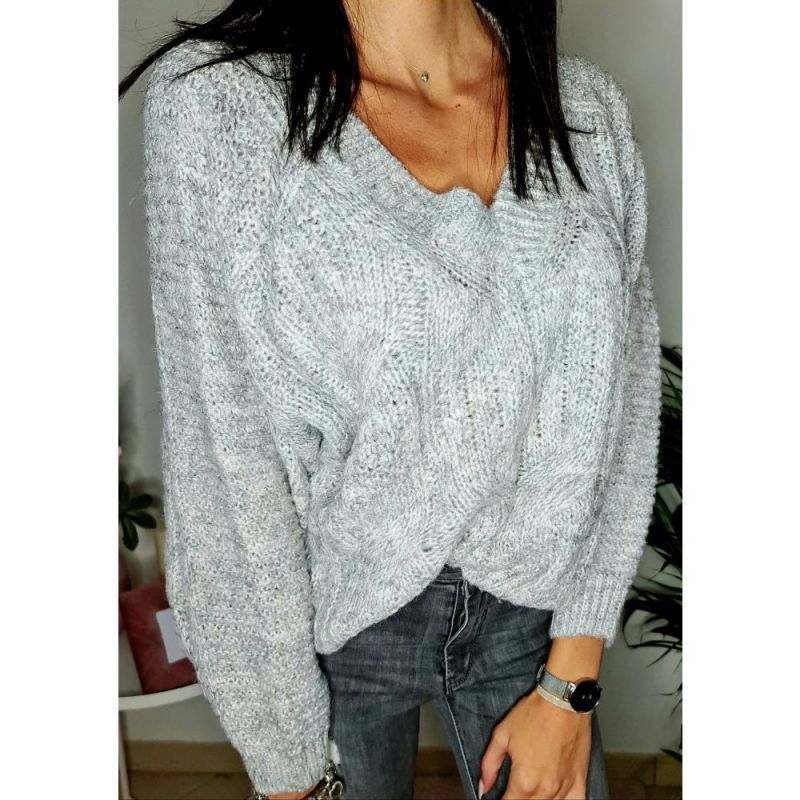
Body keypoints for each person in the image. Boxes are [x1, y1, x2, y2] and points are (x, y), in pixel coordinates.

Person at [119, 1, 662, 798]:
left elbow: (625, 409)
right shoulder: (222, 106)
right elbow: (226, 456)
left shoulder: (582, 110)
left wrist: (571, 683)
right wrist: (288, 768)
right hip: (336, 629)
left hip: (537, 622)